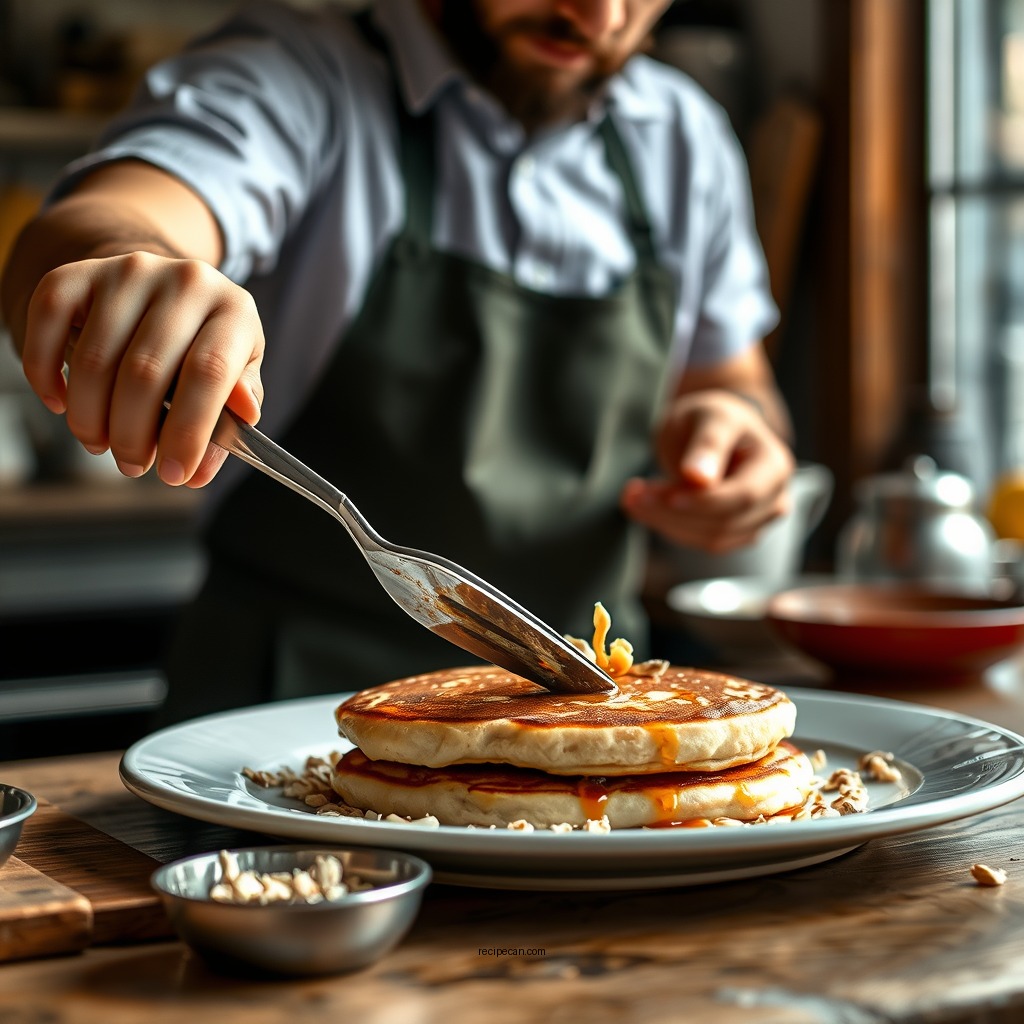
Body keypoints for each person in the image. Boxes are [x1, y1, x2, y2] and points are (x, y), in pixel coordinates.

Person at [0, 0, 795, 723]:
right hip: (283, 718)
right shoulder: (297, 75)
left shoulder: (683, 136)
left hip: (585, 718)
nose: (597, 11)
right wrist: (124, 266)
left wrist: (732, 428)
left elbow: (731, 380)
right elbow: (113, 213)